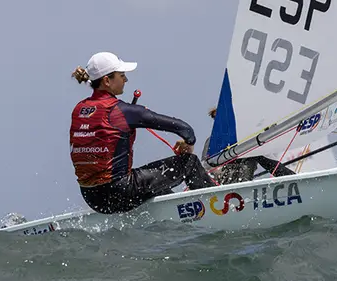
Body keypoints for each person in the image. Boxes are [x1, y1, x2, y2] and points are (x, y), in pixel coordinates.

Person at [69, 51, 216, 214]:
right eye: (122, 75)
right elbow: (185, 129)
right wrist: (188, 143)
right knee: (189, 162)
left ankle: (177, 214)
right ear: (107, 81)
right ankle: (216, 206)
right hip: (121, 191)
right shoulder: (122, 111)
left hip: (92, 198)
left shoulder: (79, 110)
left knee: (159, 187)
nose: (126, 80)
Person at [202, 107, 295, 184]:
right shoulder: (212, 141)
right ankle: (290, 177)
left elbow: (268, 161)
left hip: (240, 181)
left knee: (253, 153)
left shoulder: (243, 139)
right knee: (251, 154)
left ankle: (291, 178)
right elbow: (204, 167)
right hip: (218, 183)